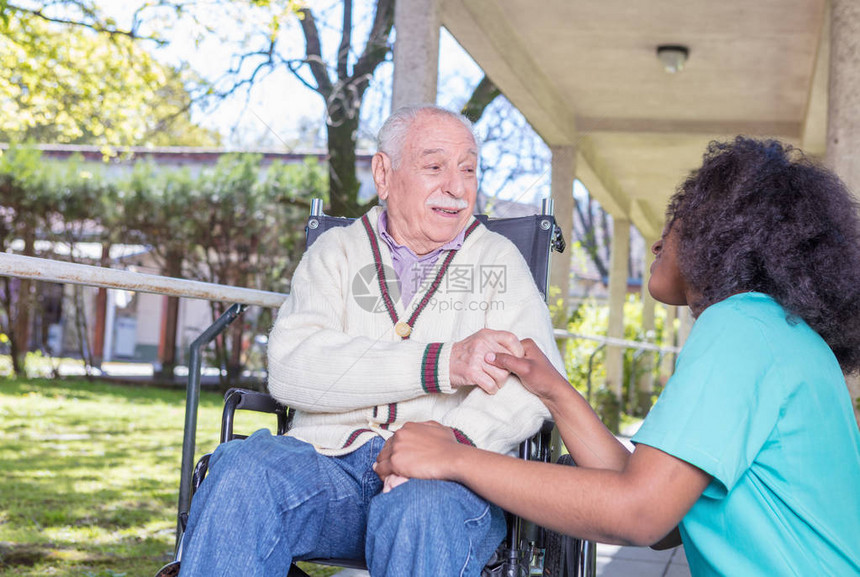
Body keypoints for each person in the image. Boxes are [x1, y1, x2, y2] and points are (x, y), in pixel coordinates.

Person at [375, 137, 860, 576]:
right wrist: (556, 394)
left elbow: (640, 514)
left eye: (675, 222)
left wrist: (455, 458)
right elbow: (666, 517)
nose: (657, 240)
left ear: (719, 235)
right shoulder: (778, 334)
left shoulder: (741, 327)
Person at [172, 104, 566, 577]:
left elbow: (534, 385)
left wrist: (451, 446)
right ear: (384, 172)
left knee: (421, 511)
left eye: (468, 169)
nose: (456, 187)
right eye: (435, 166)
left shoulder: (499, 262)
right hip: (324, 466)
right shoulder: (335, 252)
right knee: (243, 470)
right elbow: (294, 367)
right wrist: (443, 363)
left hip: (447, 483)